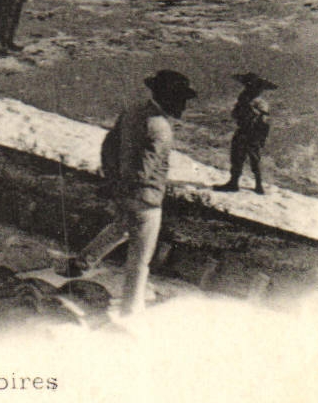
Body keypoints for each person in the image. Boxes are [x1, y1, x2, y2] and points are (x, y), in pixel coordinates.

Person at [65, 69, 196, 318]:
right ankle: (131, 311)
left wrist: (113, 181)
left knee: (122, 227)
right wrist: (134, 187)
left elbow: (109, 146)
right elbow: (144, 170)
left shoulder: (134, 112)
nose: (184, 105)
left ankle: (82, 263)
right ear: (169, 97)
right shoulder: (161, 127)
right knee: (140, 259)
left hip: (123, 191)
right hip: (145, 199)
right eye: (181, 99)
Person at [214, 73, 276, 194]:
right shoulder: (244, 99)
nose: (249, 88)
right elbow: (235, 114)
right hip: (244, 131)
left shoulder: (260, 103)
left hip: (253, 133)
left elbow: (263, 120)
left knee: (254, 159)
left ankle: (258, 185)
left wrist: (248, 109)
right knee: (237, 156)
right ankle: (234, 182)